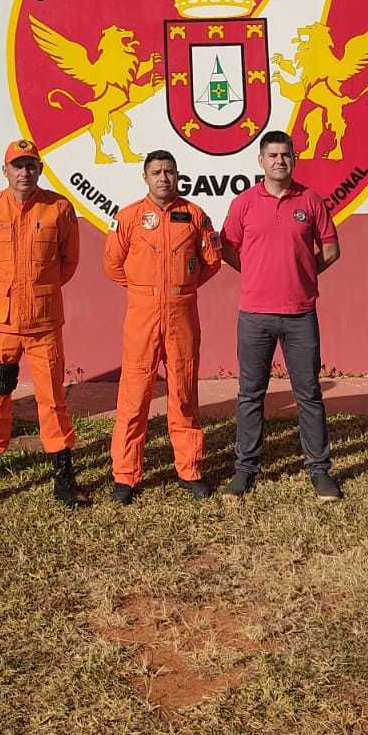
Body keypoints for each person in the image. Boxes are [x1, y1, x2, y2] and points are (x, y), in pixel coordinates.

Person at [0, 138, 89, 510]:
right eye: (17, 165)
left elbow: (68, 262)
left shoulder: (58, 208)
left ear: (40, 169)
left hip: (43, 323)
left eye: (30, 165)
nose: (24, 172)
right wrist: (8, 294)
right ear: (5, 170)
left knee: (53, 400)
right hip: (0, 323)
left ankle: (64, 480)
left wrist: (37, 292)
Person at [220, 128, 343, 501]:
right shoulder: (244, 203)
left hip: (300, 314)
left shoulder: (311, 200)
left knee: (309, 394)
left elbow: (331, 250)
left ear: (294, 159)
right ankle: (245, 470)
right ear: (261, 161)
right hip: (254, 314)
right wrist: (256, 273)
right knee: (250, 395)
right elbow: (228, 249)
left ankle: (320, 471)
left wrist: (303, 275)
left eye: (285, 155)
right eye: (272, 155)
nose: (279, 161)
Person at [103, 150, 222, 504]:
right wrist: (145, 291)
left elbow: (212, 261)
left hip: (182, 314)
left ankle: (189, 469)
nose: (163, 178)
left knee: (183, 393)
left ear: (178, 175)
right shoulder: (128, 217)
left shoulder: (195, 215)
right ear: (145, 177)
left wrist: (180, 288)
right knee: (134, 395)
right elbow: (112, 264)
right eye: (156, 172)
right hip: (142, 316)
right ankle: (125, 476)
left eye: (169, 171)